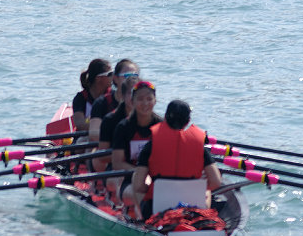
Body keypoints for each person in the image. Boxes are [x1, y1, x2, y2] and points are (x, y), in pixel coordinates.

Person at [132, 99, 223, 221]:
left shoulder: (151, 145)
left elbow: (138, 185)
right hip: (192, 209)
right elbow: (216, 182)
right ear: (188, 121)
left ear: (165, 118)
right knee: (206, 191)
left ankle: (138, 219)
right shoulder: (200, 147)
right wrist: (198, 187)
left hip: (156, 209)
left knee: (136, 184)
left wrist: (151, 188)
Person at [111, 80, 161, 216]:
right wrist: (140, 172)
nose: (145, 103)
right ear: (132, 102)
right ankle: (145, 220)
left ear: (155, 101)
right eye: (140, 99)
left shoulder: (161, 126)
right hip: (129, 181)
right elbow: (117, 163)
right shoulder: (123, 127)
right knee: (142, 184)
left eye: (149, 99)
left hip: (156, 179)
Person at [72, 59, 113, 133]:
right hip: (85, 137)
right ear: (98, 78)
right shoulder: (80, 98)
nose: (113, 77)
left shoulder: (113, 95)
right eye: (110, 74)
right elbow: (80, 124)